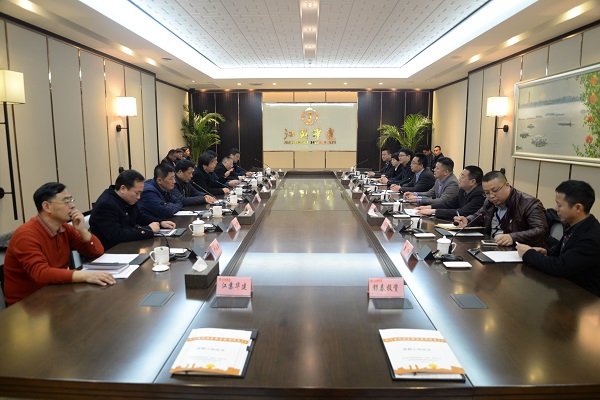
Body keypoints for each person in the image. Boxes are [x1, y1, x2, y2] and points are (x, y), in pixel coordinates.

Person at [4, 182, 114, 306]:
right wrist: (86, 276)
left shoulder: (65, 228)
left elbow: (97, 252)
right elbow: (41, 274)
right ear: (47, 207)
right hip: (27, 304)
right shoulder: (26, 235)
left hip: (55, 292)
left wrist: (82, 230)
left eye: (71, 200)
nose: (72, 206)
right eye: (66, 201)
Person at [517, 180, 600, 296]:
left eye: (559, 205)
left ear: (578, 208)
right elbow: (566, 255)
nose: (555, 208)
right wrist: (547, 252)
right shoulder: (574, 225)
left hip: (585, 297)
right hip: (565, 288)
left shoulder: (592, 237)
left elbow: (559, 267)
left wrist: (528, 254)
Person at [454, 170, 548, 247]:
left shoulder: (529, 203)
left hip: (515, 250)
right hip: (490, 245)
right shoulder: (489, 202)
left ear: (507, 185)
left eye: (495, 190)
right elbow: (479, 215)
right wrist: (467, 220)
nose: (491, 196)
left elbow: (541, 230)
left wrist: (513, 237)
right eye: (487, 193)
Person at [90, 170, 176, 250]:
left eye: (140, 193)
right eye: (137, 193)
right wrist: (148, 229)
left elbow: (140, 217)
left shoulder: (126, 199)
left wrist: (160, 222)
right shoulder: (106, 204)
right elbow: (116, 235)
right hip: (111, 252)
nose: (139, 197)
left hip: (128, 246)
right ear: (123, 189)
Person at [416, 165, 485, 219]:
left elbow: (462, 212)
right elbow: (450, 204)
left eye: (462, 176)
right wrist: (429, 207)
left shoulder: (479, 194)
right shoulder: (462, 190)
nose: (459, 179)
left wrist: (434, 211)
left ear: (472, 181)